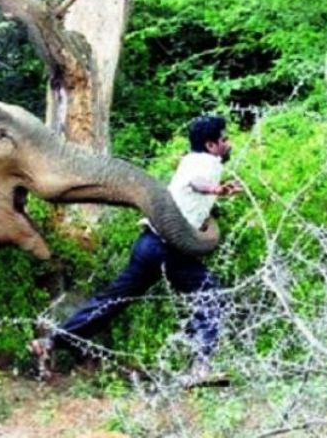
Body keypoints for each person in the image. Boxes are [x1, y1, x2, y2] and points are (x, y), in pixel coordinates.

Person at [28, 115, 242, 382]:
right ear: (211, 146)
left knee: (113, 301)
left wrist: (211, 202)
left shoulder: (190, 159)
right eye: (224, 140)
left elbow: (185, 194)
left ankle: (51, 342)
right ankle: (199, 368)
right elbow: (196, 184)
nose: (229, 144)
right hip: (168, 249)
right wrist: (216, 189)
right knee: (211, 293)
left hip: (148, 245)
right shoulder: (208, 163)